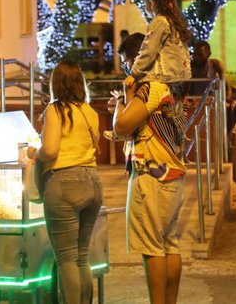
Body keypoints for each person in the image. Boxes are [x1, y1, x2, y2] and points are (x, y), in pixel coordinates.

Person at [113, 35, 190, 304]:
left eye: (126, 64)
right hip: (172, 173)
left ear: (138, 60)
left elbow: (122, 127)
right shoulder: (170, 87)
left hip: (151, 176)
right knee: (170, 244)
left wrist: (124, 99)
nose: (126, 70)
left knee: (152, 248)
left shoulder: (149, 89)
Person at [24, 60, 103, 304]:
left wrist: (33, 153)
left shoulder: (55, 110)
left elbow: (50, 150)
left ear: (55, 84)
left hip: (64, 183)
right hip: (92, 182)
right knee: (81, 256)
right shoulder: (89, 112)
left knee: (66, 257)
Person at [123, 0, 192, 89]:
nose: (144, 7)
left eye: (144, 3)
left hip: (162, 78)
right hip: (178, 77)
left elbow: (148, 51)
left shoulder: (160, 22)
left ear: (152, 3)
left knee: (130, 88)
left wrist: (134, 74)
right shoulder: (174, 22)